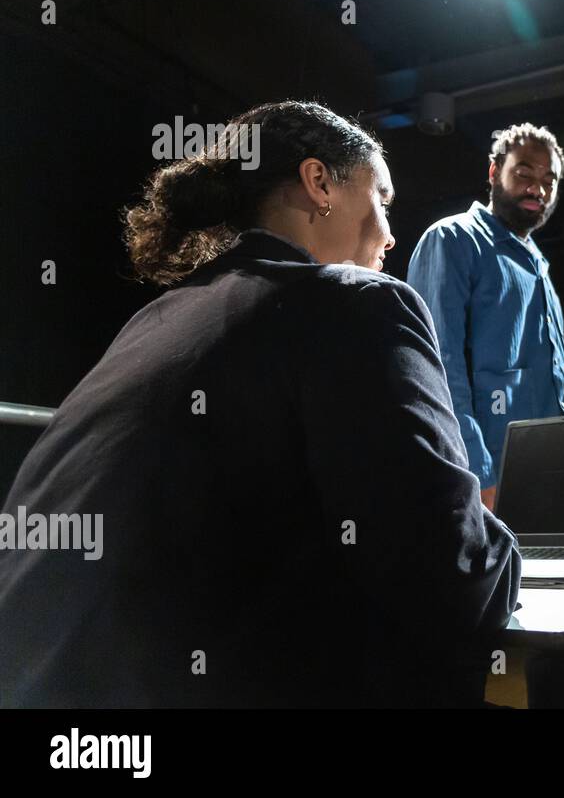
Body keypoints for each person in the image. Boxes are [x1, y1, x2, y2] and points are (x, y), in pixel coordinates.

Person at [0, 101, 520, 707]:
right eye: (382, 197)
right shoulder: (357, 303)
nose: (390, 231)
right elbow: (452, 575)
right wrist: (507, 546)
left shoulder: (156, 318)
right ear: (319, 183)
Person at [407, 123, 564, 512]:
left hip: (548, 475)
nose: (538, 189)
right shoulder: (453, 239)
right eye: (524, 173)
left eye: (548, 180)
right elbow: (437, 368)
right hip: (487, 482)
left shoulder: (537, 262)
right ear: (494, 172)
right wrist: (479, 473)